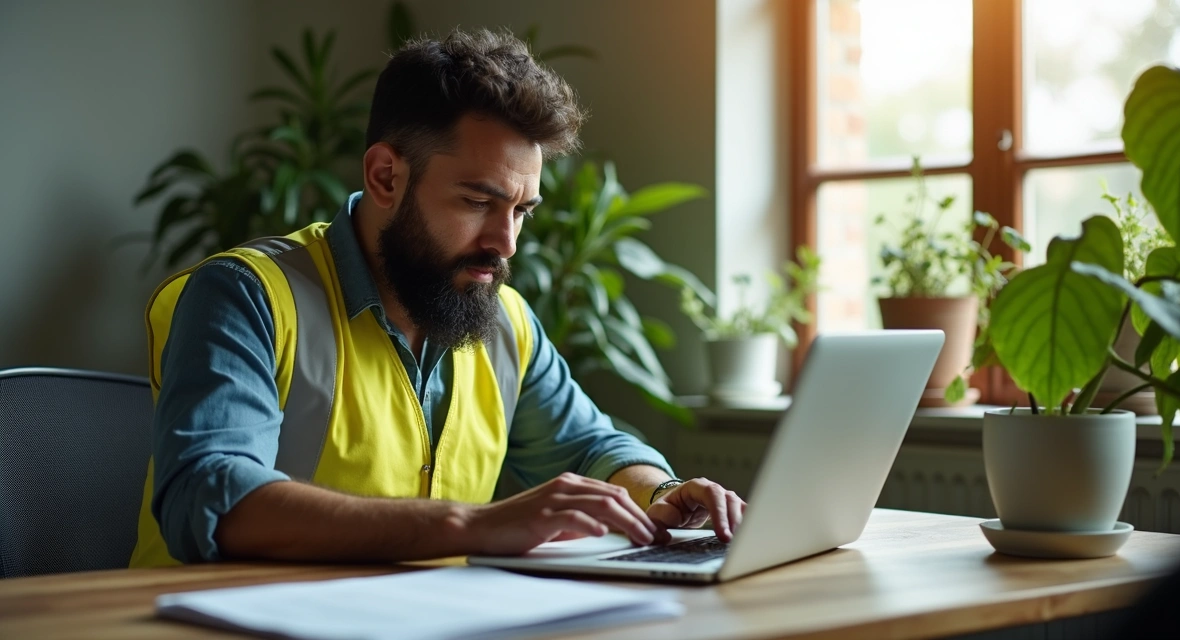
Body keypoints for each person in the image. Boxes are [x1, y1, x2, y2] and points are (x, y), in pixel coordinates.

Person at [129, 28, 744, 568]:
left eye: (521, 211)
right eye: (478, 202)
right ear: (386, 177)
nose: (505, 243)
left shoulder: (506, 323)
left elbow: (592, 447)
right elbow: (210, 495)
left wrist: (659, 491)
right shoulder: (246, 295)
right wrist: (471, 526)